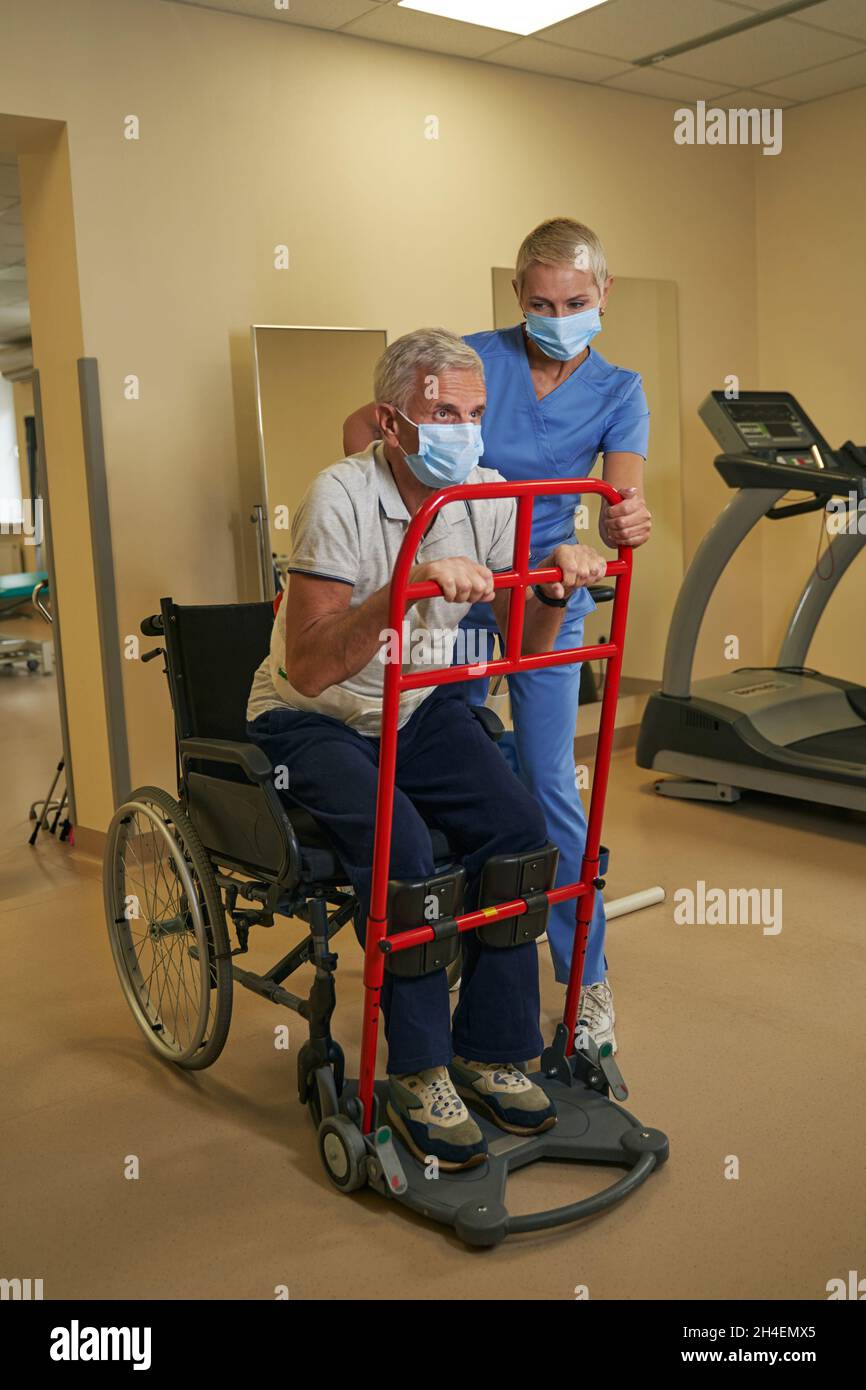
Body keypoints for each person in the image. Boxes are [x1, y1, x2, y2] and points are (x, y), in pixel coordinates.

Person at [246, 327, 607, 1171]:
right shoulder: (339, 494)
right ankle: (416, 1072)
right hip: (314, 716)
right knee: (405, 850)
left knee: (522, 836)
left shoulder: (483, 494)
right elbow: (306, 664)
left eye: (474, 413)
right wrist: (401, 589)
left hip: (415, 704)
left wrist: (553, 581)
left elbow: (524, 638)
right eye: (443, 412)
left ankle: (490, 1049)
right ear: (391, 421)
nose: (464, 430)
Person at [343, 219, 652, 1053]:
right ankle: (463, 939)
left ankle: (585, 980)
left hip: (544, 589)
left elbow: (618, 513)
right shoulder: (473, 359)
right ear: (517, 296)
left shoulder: (621, 390)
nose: (558, 315)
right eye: (542, 301)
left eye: (576, 302)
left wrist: (625, 524)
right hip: (457, 598)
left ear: (603, 295)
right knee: (454, 768)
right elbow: (358, 435)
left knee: (550, 783)